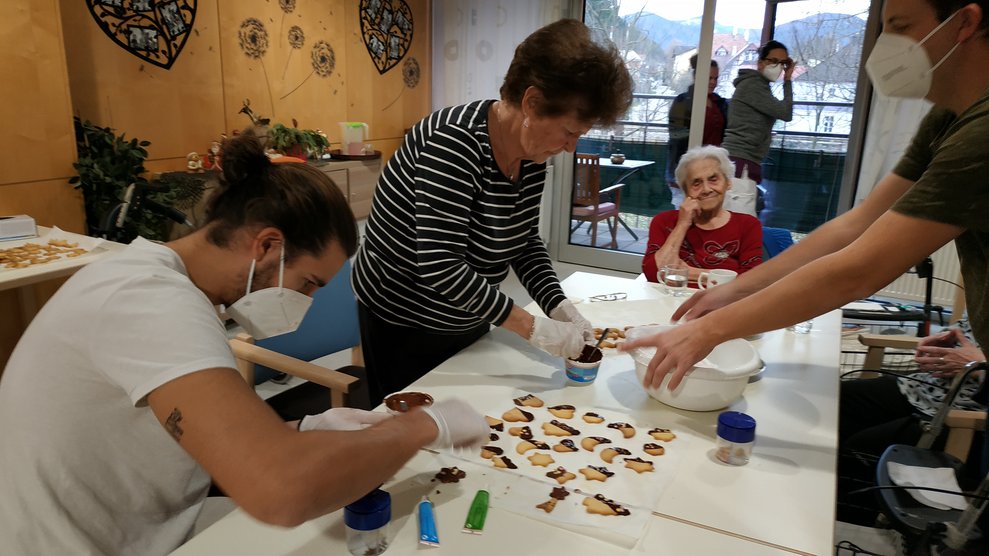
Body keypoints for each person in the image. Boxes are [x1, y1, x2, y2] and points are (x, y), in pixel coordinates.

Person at [0, 132, 489, 555]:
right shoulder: (148, 301)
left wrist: (304, 429)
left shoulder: (167, 284)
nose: (309, 301)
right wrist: (424, 426)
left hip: (145, 522)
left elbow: (195, 429)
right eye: (309, 283)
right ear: (268, 246)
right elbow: (281, 491)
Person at [623, 0, 989, 393]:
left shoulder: (980, 136)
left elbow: (859, 269)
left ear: (964, 23)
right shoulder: (947, 119)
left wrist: (707, 330)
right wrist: (731, 292)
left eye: (900, 26)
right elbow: (855, 225)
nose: (884, 46)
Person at [352, 19, 634, 406]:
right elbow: (440, 264)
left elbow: (523, 242)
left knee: (469, 424)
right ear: (532, 104)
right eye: (569, 131)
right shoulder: (452, 142)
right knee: (414, 437)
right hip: (404, 319)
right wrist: (530, 326)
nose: (571, 147)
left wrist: (558, 305)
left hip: (468, 312)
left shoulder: (531, 154)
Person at [838, 325, 986, 524]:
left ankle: (854, 527)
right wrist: (946, 339)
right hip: (923, 389)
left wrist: (980, 365)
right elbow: (969, 329)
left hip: (967, 420)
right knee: (837, 401)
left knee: (860, 450)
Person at [643, 145, 762, 285]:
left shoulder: (747, 225)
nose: (706, 189)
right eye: (696, 183)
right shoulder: (664, 222)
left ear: (728, 183)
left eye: (713, 179)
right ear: (685, 191)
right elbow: (653, 273)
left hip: (723, 304)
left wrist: (691, 273)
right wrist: (682, 224)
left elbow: (753, 280)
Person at [721, 40, 795, 187]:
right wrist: (787, 80)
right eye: (773, 61)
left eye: (783, 63)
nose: (778, 67)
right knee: (740, 209)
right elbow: (786, 113)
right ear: (760, 63)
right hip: (740, 161)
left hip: (743, 160)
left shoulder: (760, 85)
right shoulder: (753, 85)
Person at [667, 55, 730, 206]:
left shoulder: (719, 103)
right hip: (688, 167)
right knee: (686, 212)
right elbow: (676, 136)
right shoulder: (682, 102)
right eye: (709, 78)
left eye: (716, 78)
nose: (713, 82)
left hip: (711, 169)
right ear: (697, 77)